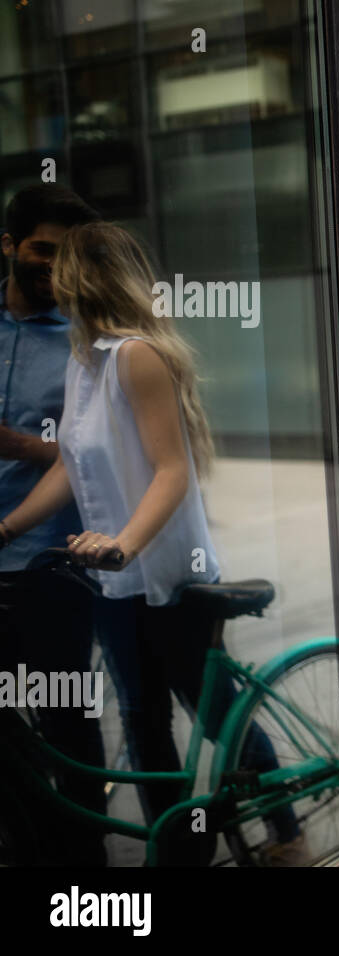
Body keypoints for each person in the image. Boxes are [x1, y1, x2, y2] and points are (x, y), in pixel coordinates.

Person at [0, 221, 302, 862]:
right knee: (141, 720)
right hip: (115, 578)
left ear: (84, 277)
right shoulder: (88, 360)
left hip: (165, 571)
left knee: (214, 710)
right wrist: (7, 528)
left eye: (62, 266)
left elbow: (173, 468)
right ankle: (178, 853)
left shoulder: (136, 355)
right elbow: (69, 466)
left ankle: (287, 832)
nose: (51, 277)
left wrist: (125, 543)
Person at [0, 184, 106, 865]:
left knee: (68, 726)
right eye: (42, 248)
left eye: (66, 253)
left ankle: (85, 876)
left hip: (49, 562)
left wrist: (20, 445)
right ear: (8, 245)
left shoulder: (86, 337)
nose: (53, 264)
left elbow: (93, 448)